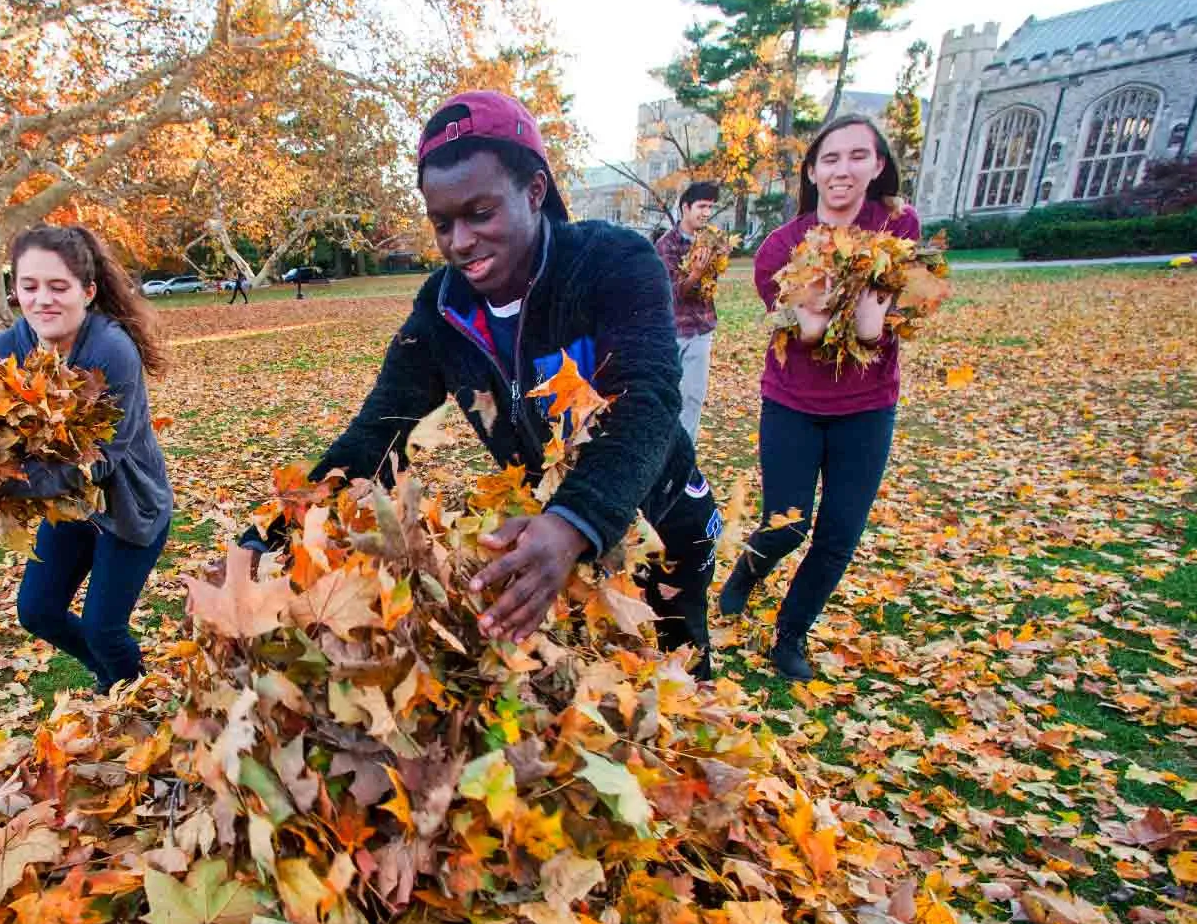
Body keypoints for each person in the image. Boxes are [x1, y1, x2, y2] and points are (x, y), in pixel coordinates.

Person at [241, 90, 719, 673]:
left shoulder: (612, 262)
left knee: (675, 690)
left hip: (661, 521)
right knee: (586, 710)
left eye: (480, 213)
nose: (459, 242)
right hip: (544, 544)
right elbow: (379, 433)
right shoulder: (443, 309)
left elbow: (649, 397)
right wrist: (267, 535)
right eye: (442, 223)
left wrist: (574, 523)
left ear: (534, 191)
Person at [718, 114, 916, 682]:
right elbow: (801, 333)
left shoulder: (898, 229)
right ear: (811, 170)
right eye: (830, 158)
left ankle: (791, 635)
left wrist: (875, 322)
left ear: (878, 165)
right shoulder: (779, 248)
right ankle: (745, 575)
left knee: (838, 533)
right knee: (787, 524)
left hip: (868, 407)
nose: (843, 170)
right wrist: (841, 315)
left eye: (858, 156)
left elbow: (888, 324)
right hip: (793, 404)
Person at [0, 225, 173, 690]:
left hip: (130, 508)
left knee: (103, 629)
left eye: (58, 286)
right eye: (29, 287)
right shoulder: (7, 351)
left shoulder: (112, 351)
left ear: (87, 292)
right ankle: (118, 681)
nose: (42, 299)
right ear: (15, 291)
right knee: (38, 612)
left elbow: (99, 461)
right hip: (70, 507)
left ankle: (134, 701)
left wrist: (8, 482)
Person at [652, 182, 722, 443]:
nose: (706, 213)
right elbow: (671, 293)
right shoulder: (666, 245)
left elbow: (709, 286)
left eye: (710, 208)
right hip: (672, 332)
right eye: (702, 206)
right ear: (685, 208)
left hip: (700, 330)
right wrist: (695, 274)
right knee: (667, 398)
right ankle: (662, 457)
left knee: (692, 398)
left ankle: (685, 460)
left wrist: (707, 273)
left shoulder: (711, 241)